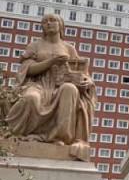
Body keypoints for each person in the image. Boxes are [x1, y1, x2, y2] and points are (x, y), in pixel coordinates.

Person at [5, 13, 95, 161]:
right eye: (45, 21)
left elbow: (81, 72)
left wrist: (87, 81)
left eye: (52, 20)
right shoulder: (35, 46)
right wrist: (51, 61)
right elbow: (27, 69)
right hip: (38, 84)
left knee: (70, 90)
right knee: (30, 98)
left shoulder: (69, 48)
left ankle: (58, 137)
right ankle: (20, 134)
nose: (48, 23)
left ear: (60, 25)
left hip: (60, 86)